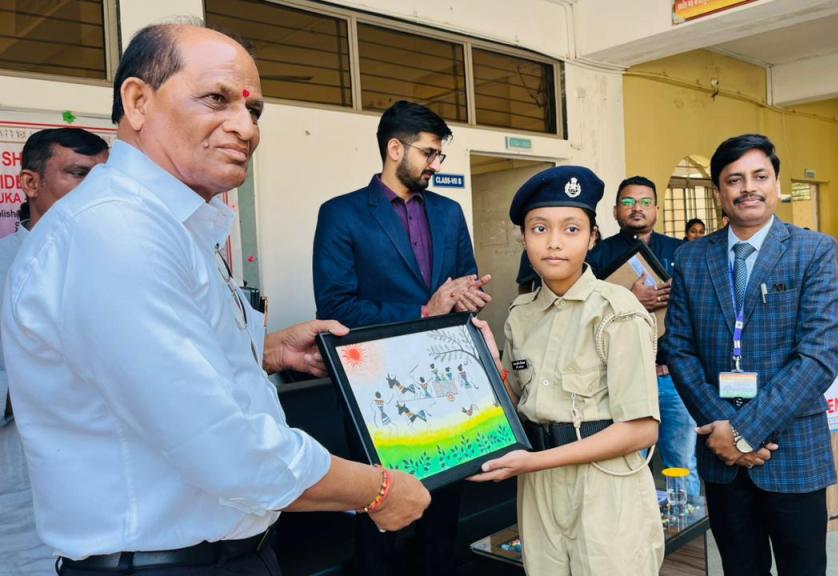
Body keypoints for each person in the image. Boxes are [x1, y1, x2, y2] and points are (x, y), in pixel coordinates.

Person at [2, 23, 430, 576]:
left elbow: (170, 373)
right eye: (216, 99)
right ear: (137, 101)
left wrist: (267, 351)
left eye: (255, 112)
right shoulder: (115, 232)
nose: (245, 127)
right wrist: (377, 489)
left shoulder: (173, 227)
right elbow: (225, 448)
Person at [312, 100, 486, 575]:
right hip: (377, 389)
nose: (435, 164)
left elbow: (463, 280)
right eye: (429, 153)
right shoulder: (341, 214)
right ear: (394, 148)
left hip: (446, 385)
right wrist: (423, 310)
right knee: (381, 512)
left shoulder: (449, 213)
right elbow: (336, 307)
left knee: (443, 512)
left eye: (438, 156)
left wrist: (467, 296)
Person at [664, 134, 838, 576]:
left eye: (759, 176)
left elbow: (819, 356)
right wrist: (722, 432)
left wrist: (743, 432)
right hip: (719, 454)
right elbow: (679, 348)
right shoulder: (691, 258)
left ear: (777, 184)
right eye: (734, 179)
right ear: (719, 193)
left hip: (792, 447)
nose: (748, 188)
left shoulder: (814, 250)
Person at [469, 166, 664, 576]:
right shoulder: (520, 314)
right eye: (539, 229)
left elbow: (642, 429)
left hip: (606, 486)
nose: (554, 243)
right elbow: (522, 404)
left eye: (571, 229)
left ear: (593, 237)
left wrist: (530, 464)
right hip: (539, 489)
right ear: (523, 238)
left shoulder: (617, 311)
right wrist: (490, 368)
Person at [0, 128, 109, 575]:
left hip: (113, 505)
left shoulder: (120, 264)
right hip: (26, 508)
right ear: (29, 184)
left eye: (104, 178)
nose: (94, 191)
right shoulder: (5, 267)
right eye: (78, 174)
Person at [587, 176, 701, 501]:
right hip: (625, 380)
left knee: (683, 462)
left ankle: (689, 543)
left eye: (645, 202)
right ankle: (638, 536)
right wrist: (630, 298)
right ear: (615, 211)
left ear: (657, 209)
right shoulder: (598, 256)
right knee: (630, 464)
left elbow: (698, 307)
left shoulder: (681, 251)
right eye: (628, 202)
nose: (637, 209)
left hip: (673, 378)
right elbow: (588, 314)